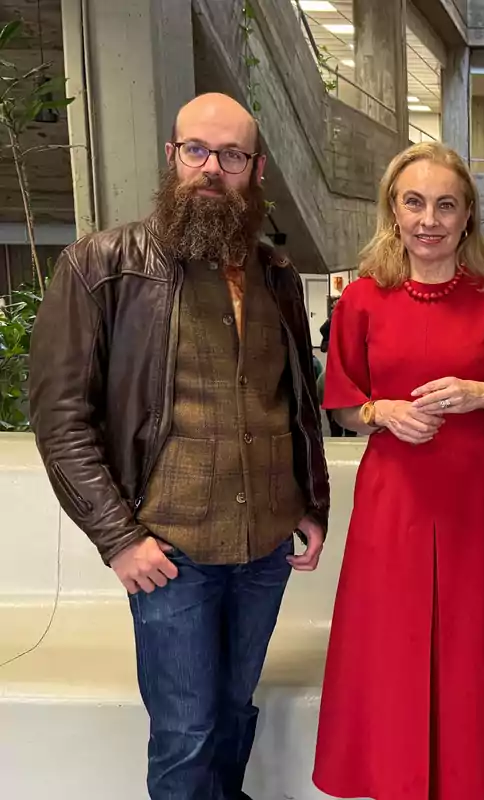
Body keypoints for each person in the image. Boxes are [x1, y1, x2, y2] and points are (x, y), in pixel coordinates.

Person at [28, 92, 330, 799]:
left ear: (255, 169)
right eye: (196, 150)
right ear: (171, 158)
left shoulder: (276, 276)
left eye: (231, 155)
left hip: (265, 549)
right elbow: (60, 420)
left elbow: (297, 403)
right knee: (187, 733)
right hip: (170, 552)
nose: (211, 169)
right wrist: (119, 538)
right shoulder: (100, 268)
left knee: (232, 714)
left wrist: (310, 503)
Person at [312, 141, 484, 799]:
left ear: (467, 215)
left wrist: (481, 394)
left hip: (478, 501)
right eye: (414, 202)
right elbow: (341, 402)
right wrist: (381, 410)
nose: (429, 219)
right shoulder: (361, 299)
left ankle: (471, 778)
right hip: (395, 500)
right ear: (393, 208)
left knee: (473, 651)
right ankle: (394, 780)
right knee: (393, 650)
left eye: (446, 205)